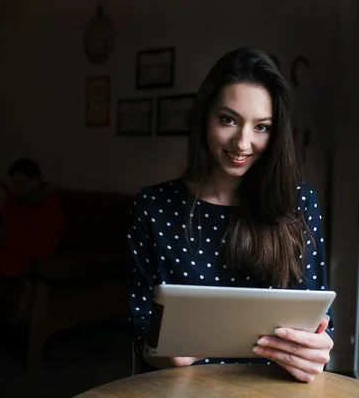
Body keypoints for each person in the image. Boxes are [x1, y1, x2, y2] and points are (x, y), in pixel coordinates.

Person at [127, 47, 334, 382]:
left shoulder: (298, 203)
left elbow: (320, 322)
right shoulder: (153, 206)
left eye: (261, 127)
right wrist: (164, 354)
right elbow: (139, 330)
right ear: (205, 117)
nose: (242, 142)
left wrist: (317, 352)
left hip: (274, 389)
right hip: (181, 389)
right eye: (228, 120)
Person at [0, 159, 64, 278]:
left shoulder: (49, 209)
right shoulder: (15, 200)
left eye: (19, 182)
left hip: (13, 262)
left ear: (35, 180)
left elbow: (40, 252)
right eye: (13, 183)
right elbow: (2, 220)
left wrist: (4, 237)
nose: (15, 188)